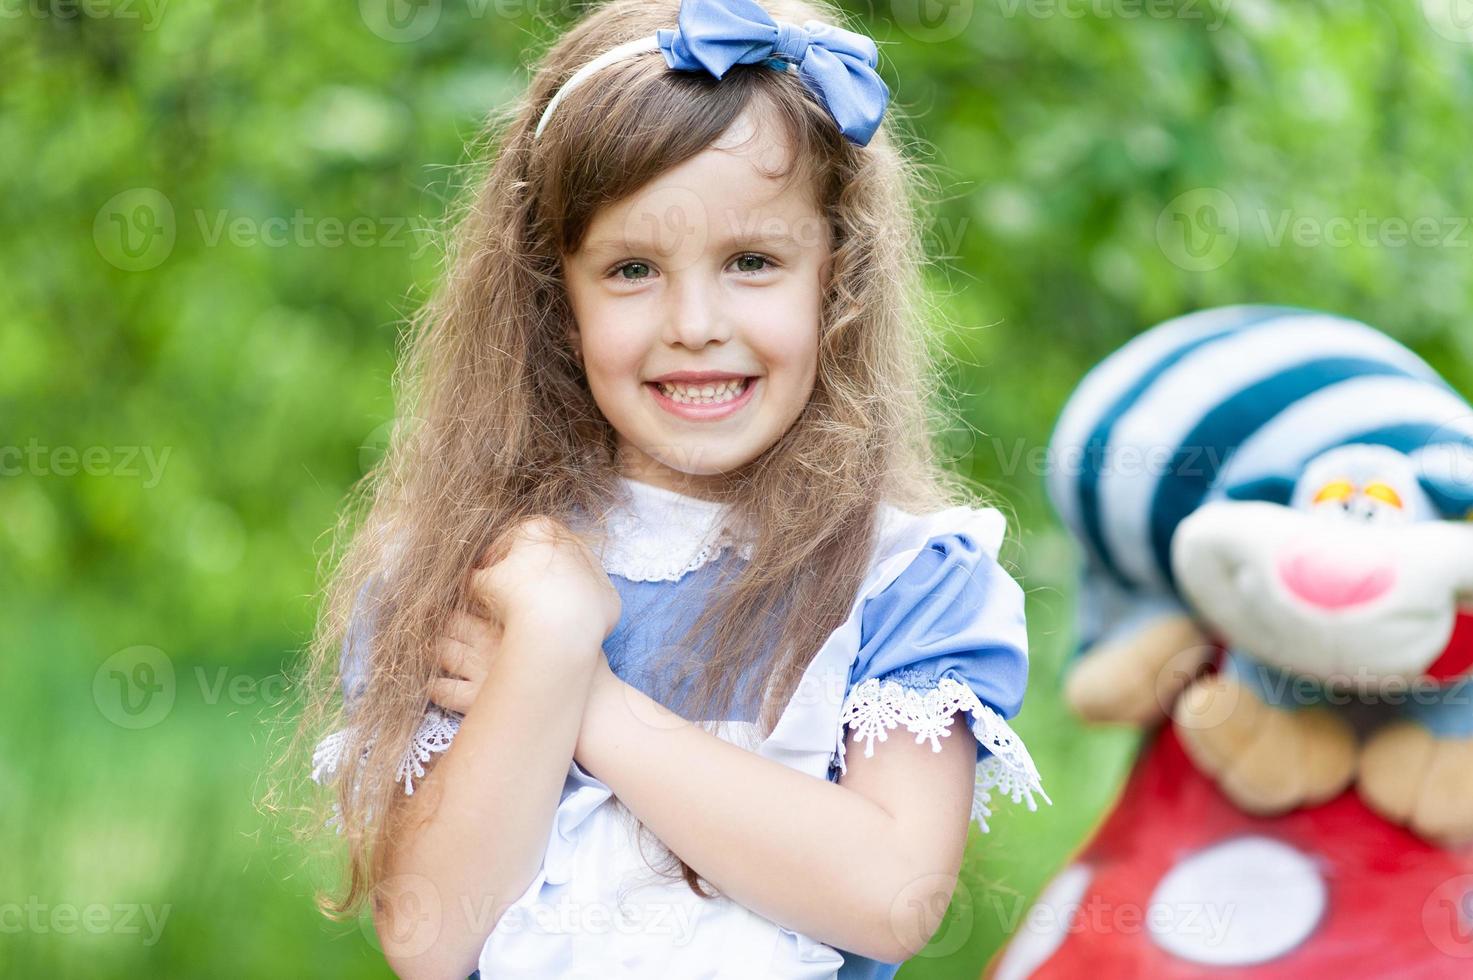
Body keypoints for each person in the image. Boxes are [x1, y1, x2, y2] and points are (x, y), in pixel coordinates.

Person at [295, 0, 1048, 975]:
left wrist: (582, 691)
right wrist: (550, 625)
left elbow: (889, 894)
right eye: (633, 268)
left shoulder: (908, 581)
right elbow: (430, 935)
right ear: (554, 294)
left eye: (751, 262)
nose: (695, 322)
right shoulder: (476, 571)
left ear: (837, 278)